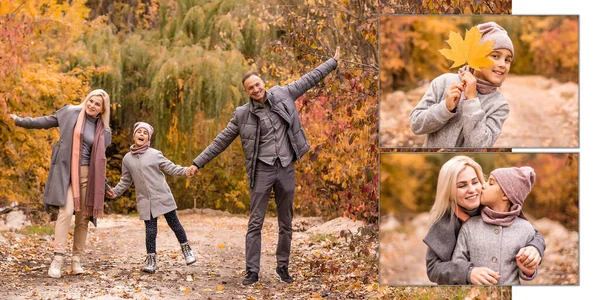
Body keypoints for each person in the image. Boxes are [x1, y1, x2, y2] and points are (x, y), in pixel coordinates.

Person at [186, 47, 340, 285]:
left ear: (263, 83)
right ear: (246, 92)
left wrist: (332, 62)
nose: (256, 89)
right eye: (251, 88)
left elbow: (309, 79)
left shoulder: (284, 93)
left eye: (258, 85)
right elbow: (221, 141)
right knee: (255, 222)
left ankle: (283, 267)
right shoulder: (242, 115)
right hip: (262, 171)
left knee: (286, 222)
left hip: (286, 167)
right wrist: (198, 163)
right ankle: (252, 271)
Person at [10, 89, 112, 278]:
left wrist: (105, 187)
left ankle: (76, 260)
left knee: (83, 220)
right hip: (67, 172)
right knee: (65, 212)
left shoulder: (104, 131)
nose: (92, 105)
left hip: (89, 177)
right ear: (86, 100)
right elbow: (45, 121)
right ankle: (58, 258)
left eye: (97, 104)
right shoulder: (70, 112)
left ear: (102, 109)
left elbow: (100, 162)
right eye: (91, 100)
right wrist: (19, 120)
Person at [423, 156, 545, 284]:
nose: (472, 190)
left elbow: (533, 234)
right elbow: (433, 269)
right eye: (462, 186)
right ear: (449, 191)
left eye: (475, 182)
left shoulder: (493, 204)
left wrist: (534, 249)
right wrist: (468, 273)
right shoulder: (445, 222)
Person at [107, 122, 195, 273]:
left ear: (148, 138)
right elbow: (126, 180)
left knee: (175, 224)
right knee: (150, 230)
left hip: (162, 196)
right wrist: (115, 192)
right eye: (139, 132)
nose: (141, 134)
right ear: (134, 135)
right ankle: (151, 260)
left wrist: (185, 171)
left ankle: (186, 249)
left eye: (145, 133)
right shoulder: (127, 159)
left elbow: (171, 167)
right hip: (145, 200)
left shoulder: (155, 154)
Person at [409, 22, 512, 147]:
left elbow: (480, 146)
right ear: (476, 55)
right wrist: (444, 108)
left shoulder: (499, 105)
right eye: (495, 56)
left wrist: (472, 102)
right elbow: (415, 124)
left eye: (507, 60)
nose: (503, 64)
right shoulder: (443, 82)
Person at [452, 166, 538, 285]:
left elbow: (528, 271)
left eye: (491, 183)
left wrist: (528, 270)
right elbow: (457, 262)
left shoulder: (526, 228)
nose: (483, 185)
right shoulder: (470, 226)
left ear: (506, 195)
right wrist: (470, 272)